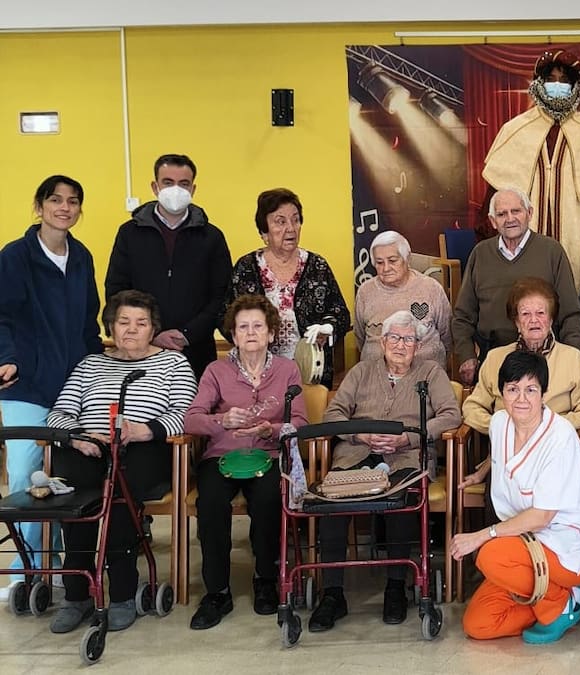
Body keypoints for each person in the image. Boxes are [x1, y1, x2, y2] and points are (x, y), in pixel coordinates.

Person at [44, 290, 197, 633]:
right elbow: (60, 412)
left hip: (146, 449)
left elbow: (187, 414)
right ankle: (76, 595)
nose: (131, 330)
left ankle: (124, 594)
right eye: (123, 322)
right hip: (90, 447)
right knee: (76, 496)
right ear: (110, 327)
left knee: (119, 492)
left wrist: (146, 431)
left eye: (141, 323)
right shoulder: (90, 364)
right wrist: (78, 436)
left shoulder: (173, 363)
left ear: (152, 329)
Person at [308, 310, 462, 631]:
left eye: (409, 339)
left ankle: (396, 586)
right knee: (332, 508)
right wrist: (359, 433)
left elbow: (450, 415)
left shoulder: (431, 373)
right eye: (395, 338)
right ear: (382, 341)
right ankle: (333, 594)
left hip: (406, 459)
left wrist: (410, 436)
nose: (401, 345)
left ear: (418, 346)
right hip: (354, 455)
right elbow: (333, 413)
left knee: (402, 503)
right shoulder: (362, 371)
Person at [451, 351, 580, 644]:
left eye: (530, 389)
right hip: (524, 544)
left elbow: (542, 516)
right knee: (478, 625)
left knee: (489, 555)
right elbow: (504, 456)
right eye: (512, 389)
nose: (521, 398)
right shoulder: (499, 423)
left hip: (568, 546)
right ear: (501, 392)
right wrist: (482, 471)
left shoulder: (560, 437)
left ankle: (561, 603)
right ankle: (572, 594)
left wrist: (482, 535)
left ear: (544, 393)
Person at [0, 175, 102, 599]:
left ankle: (60, 565)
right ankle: (25, 569)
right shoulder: (15, 256)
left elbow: (88, 322)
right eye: (55, 200)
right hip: (25, 384)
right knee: (25, 475)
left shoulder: (81, 257)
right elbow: (1, 313)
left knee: (65, 479)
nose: (65, 207)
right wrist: (7, 356)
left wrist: (97, 367)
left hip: (73, 386)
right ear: (39, 206)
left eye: (73, 201)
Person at [184, 295, 308, 629]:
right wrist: (221, 422)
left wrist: (274, 428)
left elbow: (300, 422)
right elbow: (191, 419)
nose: (250, 332)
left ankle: (265, 579)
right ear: (233, 335)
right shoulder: (216, 370)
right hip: (221, 456)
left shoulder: (287, 370)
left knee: (269, 498)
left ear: (271, 334)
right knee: (210, 503)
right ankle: (217, 592)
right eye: (243, 327)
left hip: (267, 455)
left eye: (258, 326)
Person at [481, 49, 580, 287]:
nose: (557, 86)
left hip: (575, 249)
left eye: (564, 81)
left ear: (576, 86)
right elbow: (493, 207)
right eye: (550, 80)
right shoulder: (515, 130)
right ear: (539, 84)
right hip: (520, 254)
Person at [105, 153, 232, 378]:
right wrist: (152, 334)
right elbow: (117, 290)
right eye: (168, 182)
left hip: (196, 352)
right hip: (140, 351)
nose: (176, 190)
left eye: (183, 184)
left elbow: (221, 296)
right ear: (155, 187)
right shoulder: (129, 233)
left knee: (196, 412)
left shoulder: (212, 237)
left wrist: (186, 334)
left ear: (193, 189)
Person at [452, 188, 580, 386]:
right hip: (492, 358)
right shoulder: (480, 254)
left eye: (516, 211)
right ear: (492, 220)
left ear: (529, 213)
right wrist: (466, 355)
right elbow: (462, 315)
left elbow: (570, 313)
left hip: (544, 358)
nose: (509, 219)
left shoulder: (551, 251)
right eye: (502, 214)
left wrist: (572, 358)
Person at [225, 188, 351, 387]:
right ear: (264, 231)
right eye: (280, 221)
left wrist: (328, 327)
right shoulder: (246, 268)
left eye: (295, 220)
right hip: (257, 375)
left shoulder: (317, 266)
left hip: (309, 373)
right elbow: (227, 318)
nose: (291, 228)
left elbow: (341, 314)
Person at [461, 277, 580, 444]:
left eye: (541, 313)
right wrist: (503, 426)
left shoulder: (572, 358)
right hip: (509, 444)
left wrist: (549, 426)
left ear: (551, 320)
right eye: (525, 314)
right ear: (517, 322)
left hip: (555, 443)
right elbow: (471, 408)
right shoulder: (495, 358)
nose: (533, 320)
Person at [354, 230, 451, 368]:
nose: (386, 268)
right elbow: (360, 337)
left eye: (392, 261)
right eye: (379, 262)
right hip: (375, 378)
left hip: (426, 378)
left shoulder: (431, 288)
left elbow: (447, 335)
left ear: (407, 258)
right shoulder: (365, 291)